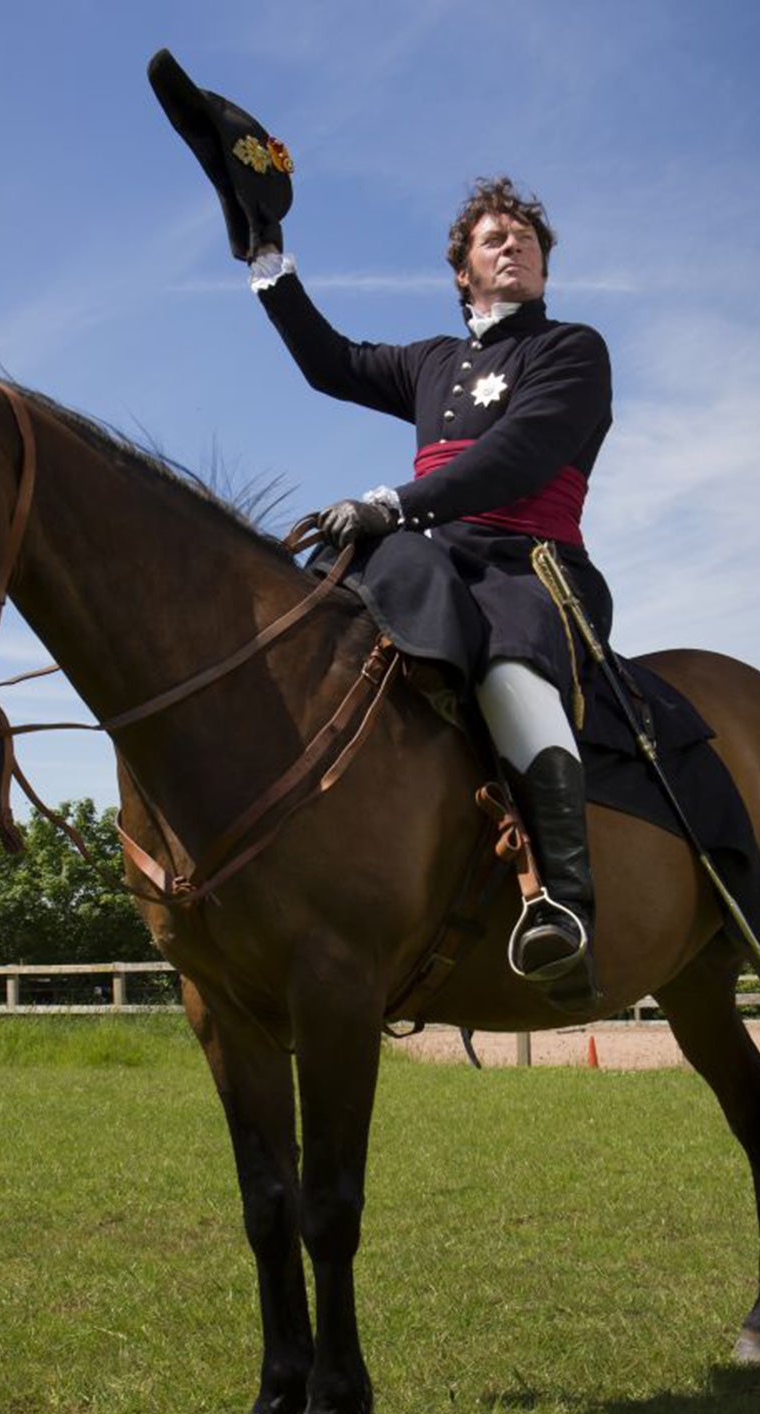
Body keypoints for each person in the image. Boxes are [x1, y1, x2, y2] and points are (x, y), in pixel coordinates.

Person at [151, 58, 614, 1007]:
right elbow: (327, 361)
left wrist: (393, 505)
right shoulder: (433, 359)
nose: (513, 244)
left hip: (531, 568)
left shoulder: (571, 350)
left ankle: (563, 900)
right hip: (432, 555)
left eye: (525, 236)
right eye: (494, 237)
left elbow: (521, 455)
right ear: (462, 269)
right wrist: (265, 251)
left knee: (512, 666)